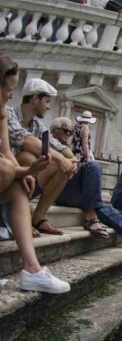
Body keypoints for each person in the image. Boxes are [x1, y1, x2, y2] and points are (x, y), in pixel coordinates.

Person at [0, 54, 70, 293]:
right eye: (8, 89)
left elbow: (8, 152)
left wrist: (25, 172)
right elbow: (21, 143)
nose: (11, 95)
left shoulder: (1, 112)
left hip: (6, 177)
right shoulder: (9, 113)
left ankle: (32, 269)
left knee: (19, 179)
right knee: (14, 165)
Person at [50, 117, 122, 247]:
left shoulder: (66, 149)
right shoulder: (48, 144)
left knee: (105, 207)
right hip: (58, 191)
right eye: (65, 131)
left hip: (74, 191)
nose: (69, 135)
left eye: (70, 132)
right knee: (93, 166)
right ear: (54, 131)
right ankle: (91, 218)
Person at [8, 78, 75, 236]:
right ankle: (19, 219)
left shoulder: (37, 125)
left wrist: (71, 159)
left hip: (26, 179)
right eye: (47, 100)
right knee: (28, 157)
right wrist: (60, 158)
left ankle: (38, 218)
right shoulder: (9, 113)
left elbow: (59, 147)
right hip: (6, 177)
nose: (49, 106)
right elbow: (24, 140)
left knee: (63, 166)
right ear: (35, 99)